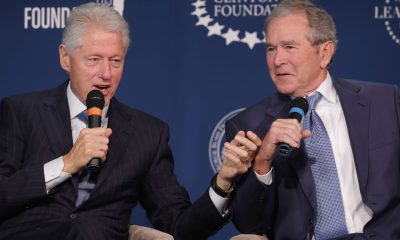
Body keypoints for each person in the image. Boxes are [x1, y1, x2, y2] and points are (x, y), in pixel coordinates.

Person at [0, 3, 259, 240]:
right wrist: (67, 163)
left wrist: (223, 183)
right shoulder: (22, 111)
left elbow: (179, 226)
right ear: (65, 58)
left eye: (115, 61)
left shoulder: (146, 133)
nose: (106, 74)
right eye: (94, 60)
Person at [224, 0, 400, 239]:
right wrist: (262, 163)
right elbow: (249, 223)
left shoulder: (386, 101)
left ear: (324, 53)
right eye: (271, 49)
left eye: (289, 47)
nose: (277, 61)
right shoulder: (248, 126)